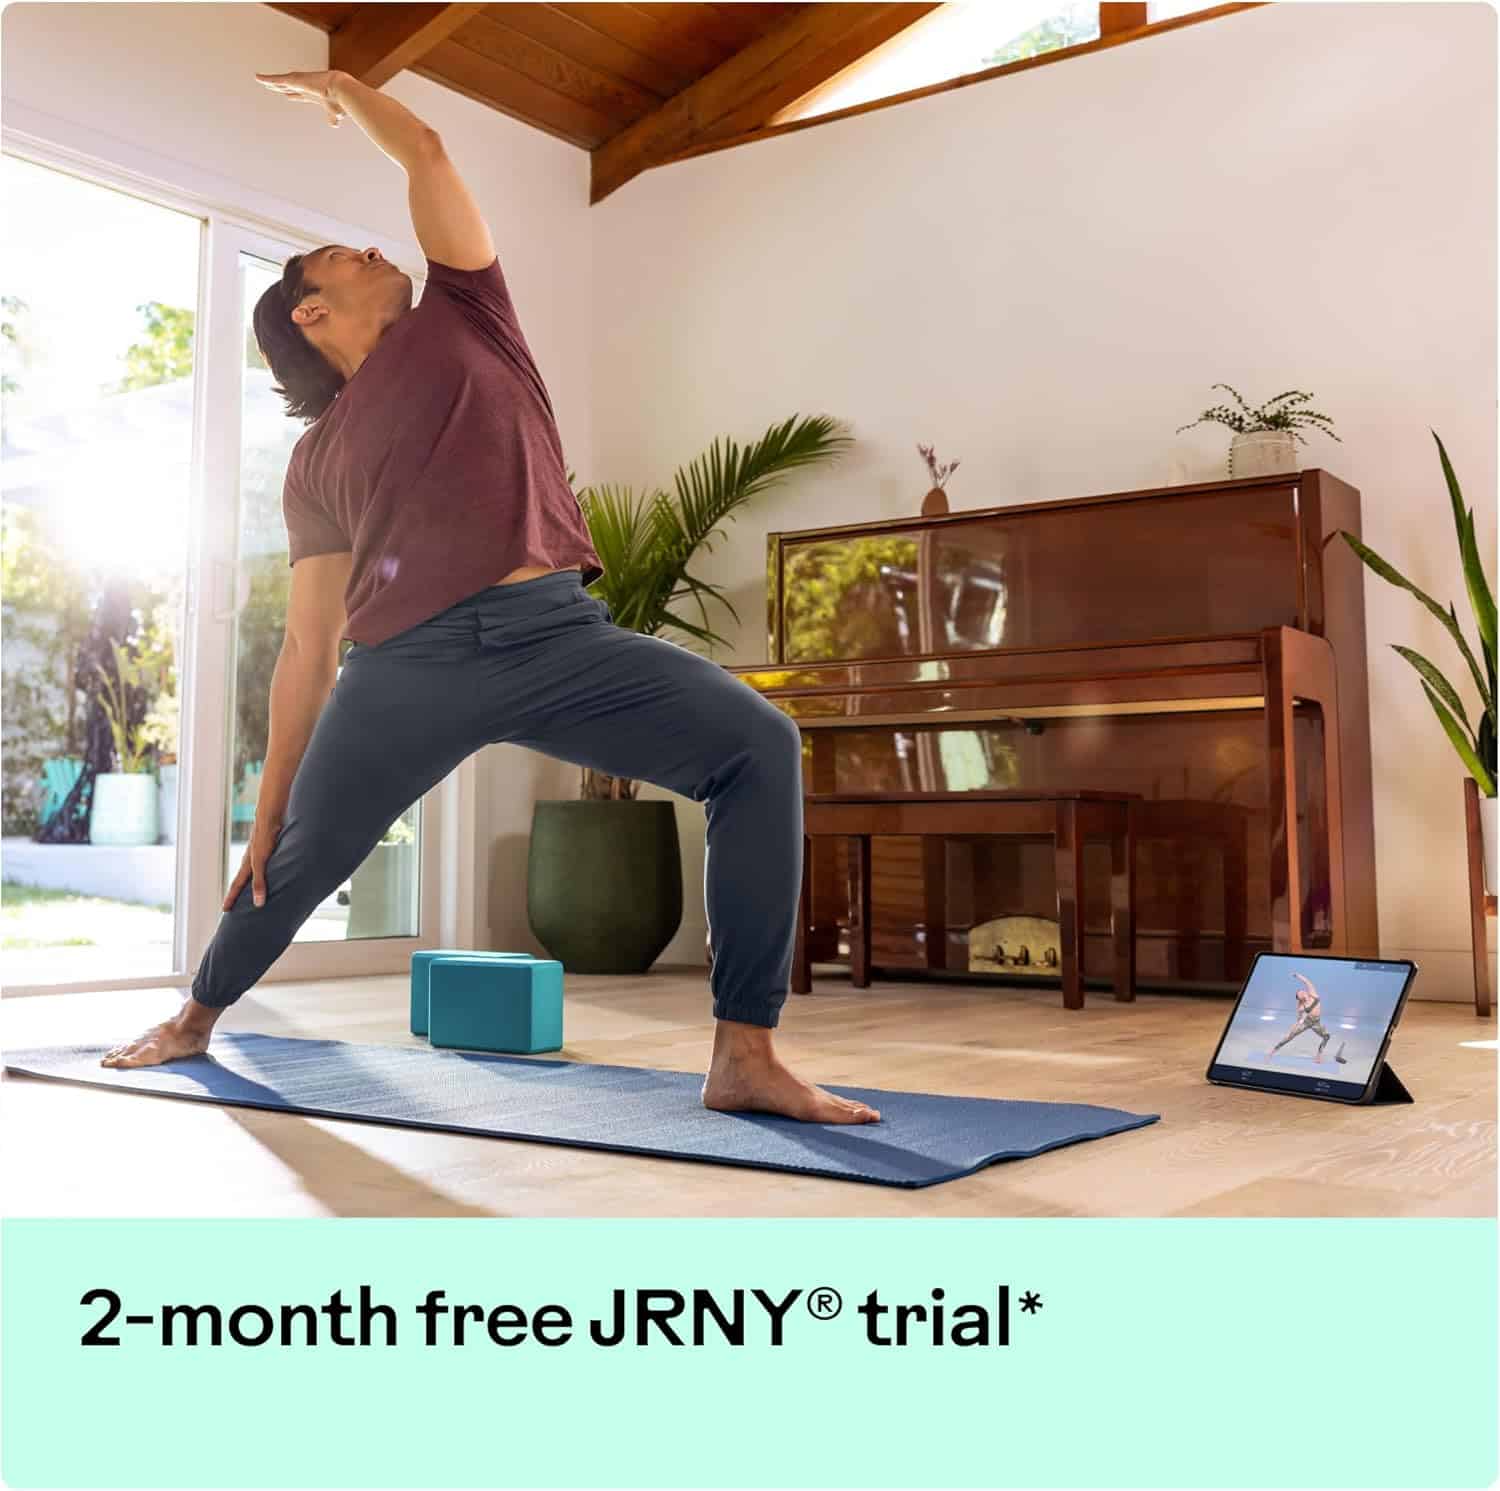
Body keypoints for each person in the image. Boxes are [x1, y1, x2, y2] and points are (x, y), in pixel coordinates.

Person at [101, 68, 879, 1126]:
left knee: (760, 746)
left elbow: (423, 149)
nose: (378, 248)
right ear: (311, 310)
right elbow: (308, 644)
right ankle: (195, 1016)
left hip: (557, 638)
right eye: (346, 256)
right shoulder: (312, 463)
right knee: (292, 860)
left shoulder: (469, 312)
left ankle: (745, 1053)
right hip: (405, 670)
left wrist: (347, 89)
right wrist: (269, 800)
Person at [1266, 970, 1333, 1063]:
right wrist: (1297, 1024)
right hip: (1306, 1022)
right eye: (1299, 994)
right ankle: (1272, 1052)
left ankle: (1318, 1056)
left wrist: (1297, 976)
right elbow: (1300, 1017)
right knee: (1289, 1036)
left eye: (1301, 991)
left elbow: (1307, 981)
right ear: (1299, 998)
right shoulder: (1301, 1005)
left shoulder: (1312, 993)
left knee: (1326, 1037)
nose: (1301, 992)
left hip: (1316, 1022)